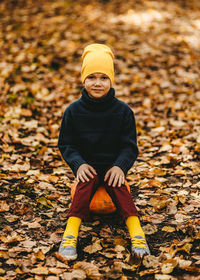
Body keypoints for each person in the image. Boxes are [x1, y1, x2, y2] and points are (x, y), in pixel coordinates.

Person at [58, 43, 150, 260]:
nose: (97, 83)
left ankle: (137, 232)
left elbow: (129, 145)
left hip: (112, 167)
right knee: (85, 183)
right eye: (91, 77)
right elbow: (66, 144)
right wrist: (78, 164)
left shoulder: (123, 112)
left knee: (119, 186)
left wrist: (120, 166)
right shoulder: (73, 111)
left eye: (103, 77)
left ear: (111, 80)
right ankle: (70, 233)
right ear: (83, 79)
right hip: (87, 167)